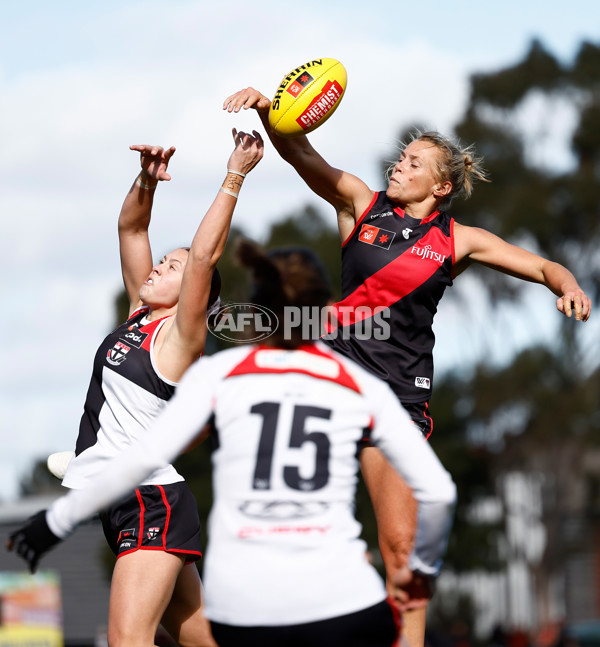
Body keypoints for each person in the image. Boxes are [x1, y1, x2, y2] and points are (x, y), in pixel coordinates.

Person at [221, 86, 593, 647]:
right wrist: (271, 109)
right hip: (333, 385)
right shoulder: (360, 205)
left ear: (440, 186)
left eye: (413, 162)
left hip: (395, 401)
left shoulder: (457, 241)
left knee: (401, 553)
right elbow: (299, 152)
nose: (399, 165)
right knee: (290, 529)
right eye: (401, 156)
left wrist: (569, 287)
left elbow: (544, 266)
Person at [8, 241, 457, 647]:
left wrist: (55, 520)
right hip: (344, 596)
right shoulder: (361, 386)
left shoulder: (221, 376)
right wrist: (423, 570)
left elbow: (141, 456)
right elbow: (439, 493)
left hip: (245, 596)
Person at [9, 128, 264, 647]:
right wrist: (146, 181)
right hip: (123, 500)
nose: (159, 267)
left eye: (170, 267)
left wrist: (234, 174)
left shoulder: (179, 335)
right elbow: (130, 228)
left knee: (128, 641)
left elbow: (201, 259)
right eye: (162, 261)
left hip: (151, 501)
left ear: (195, 298)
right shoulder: (137, 317)